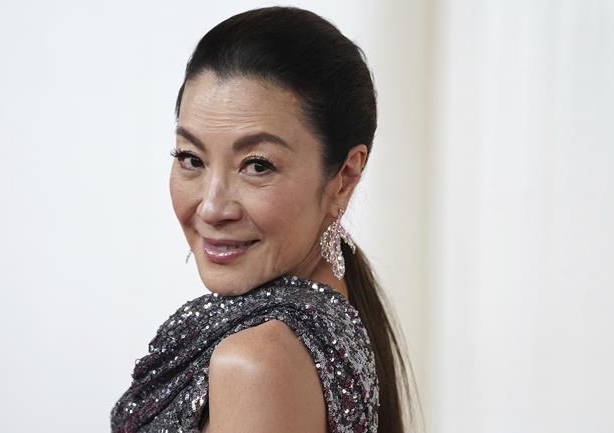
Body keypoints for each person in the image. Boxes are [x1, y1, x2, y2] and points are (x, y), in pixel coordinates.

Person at [110, 6, 414, 433]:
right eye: (191, 158)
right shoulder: (312, 334)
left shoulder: (257, 364)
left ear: (344, 177)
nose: (212, 208)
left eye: (257, 165)